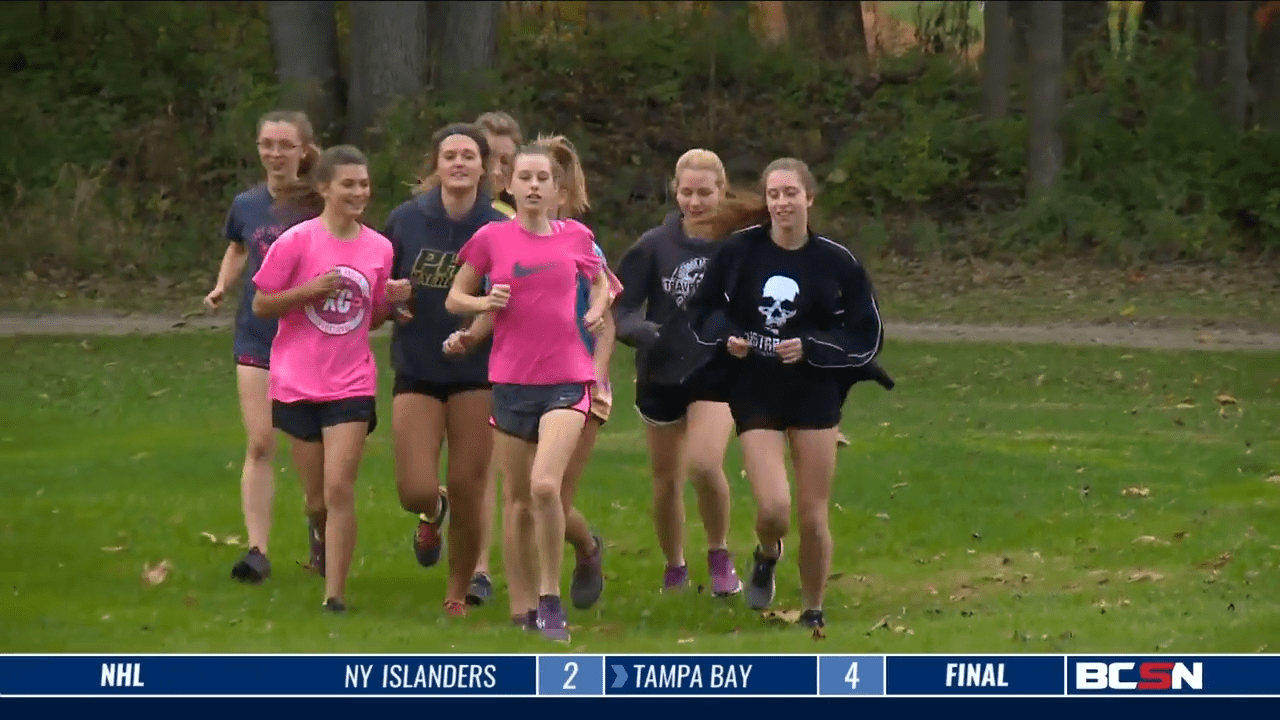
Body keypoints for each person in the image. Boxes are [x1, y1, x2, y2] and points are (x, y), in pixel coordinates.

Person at [685, 157, 891, 629]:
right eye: (774, 195)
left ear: (809, 199)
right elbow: (704, 309)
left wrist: (813, 347)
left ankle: (813, 609)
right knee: (775, 508)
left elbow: (866, 334)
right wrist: (729, 336)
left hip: (813, 392)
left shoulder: (836, 262)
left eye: (791, 194)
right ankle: (766, 551)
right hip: (756, 388)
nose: (782, 203)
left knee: (814, 514)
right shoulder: (740, 252)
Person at [445, 143, 616, 642]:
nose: (535, 185)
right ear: (510, 186)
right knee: (518, 501)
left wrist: (596, 308)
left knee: (545, 486)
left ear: (557, 189)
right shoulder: (491, 239)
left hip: (568, 379)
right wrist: (483, 300)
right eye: (527, 177)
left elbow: (603, 284)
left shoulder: (577, 237)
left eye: (544, 178)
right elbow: (456, 295)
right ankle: (522, 607)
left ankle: (550, 600)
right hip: (511, 381)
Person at [251, 145, 411, 612]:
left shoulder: (379, 247)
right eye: (349, 184)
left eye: (364, 184)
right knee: (317, 498)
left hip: (352, 382)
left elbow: (373, 315)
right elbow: (262, 304)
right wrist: (308, 291)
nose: (359, 191)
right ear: (324, 188)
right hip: (297, 381)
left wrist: (393, 301)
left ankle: (334, 596)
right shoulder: (297, 242)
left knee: (340, 487)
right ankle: (317, 531)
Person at [381, 123, 509, 616]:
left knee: (470, 484)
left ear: (485, 166)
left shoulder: (500, 222)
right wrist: (393, 302)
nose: (458, 163)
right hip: (417, 365)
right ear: (435, 165)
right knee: (413, 486)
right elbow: (381, 286)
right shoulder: (406, 219)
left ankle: (459, 589)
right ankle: (432, 511)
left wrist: (474, 332)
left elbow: (511, 296)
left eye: (468, 156)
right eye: (449, 155)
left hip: (477, 370)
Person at [613, 148, 742, 596]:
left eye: (705, 192)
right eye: (686, 192)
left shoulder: (739, 244)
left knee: (705, 463)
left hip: (717, 370)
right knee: (666, 479)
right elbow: (621, 306)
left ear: (721, 192)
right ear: (675, 191)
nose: (695, 201)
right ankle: (675, 565)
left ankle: (720, 553)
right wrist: (639, 331)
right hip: (661, 374)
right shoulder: (653, 245)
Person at [203, 110, 320, 583]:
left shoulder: (318, 203)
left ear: (304, 151)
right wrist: (220, 285)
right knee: (260, 440)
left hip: (310, 337)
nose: (275, 154)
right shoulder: (246, 204)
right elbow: (237, 248)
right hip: (256, 333)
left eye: (285, 145)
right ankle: (257, 550)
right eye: (267, 144)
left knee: (311, 448)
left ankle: (322, 538)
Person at [465, 110, 524, 606]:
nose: (500, 169)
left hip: (499, 355)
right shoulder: (439, 209)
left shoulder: (517, 219)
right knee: (446, 474)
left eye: (509, 158)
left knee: (486, 466)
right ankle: (434, 510)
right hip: (438, 354)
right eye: (492, 157)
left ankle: (479, 569)